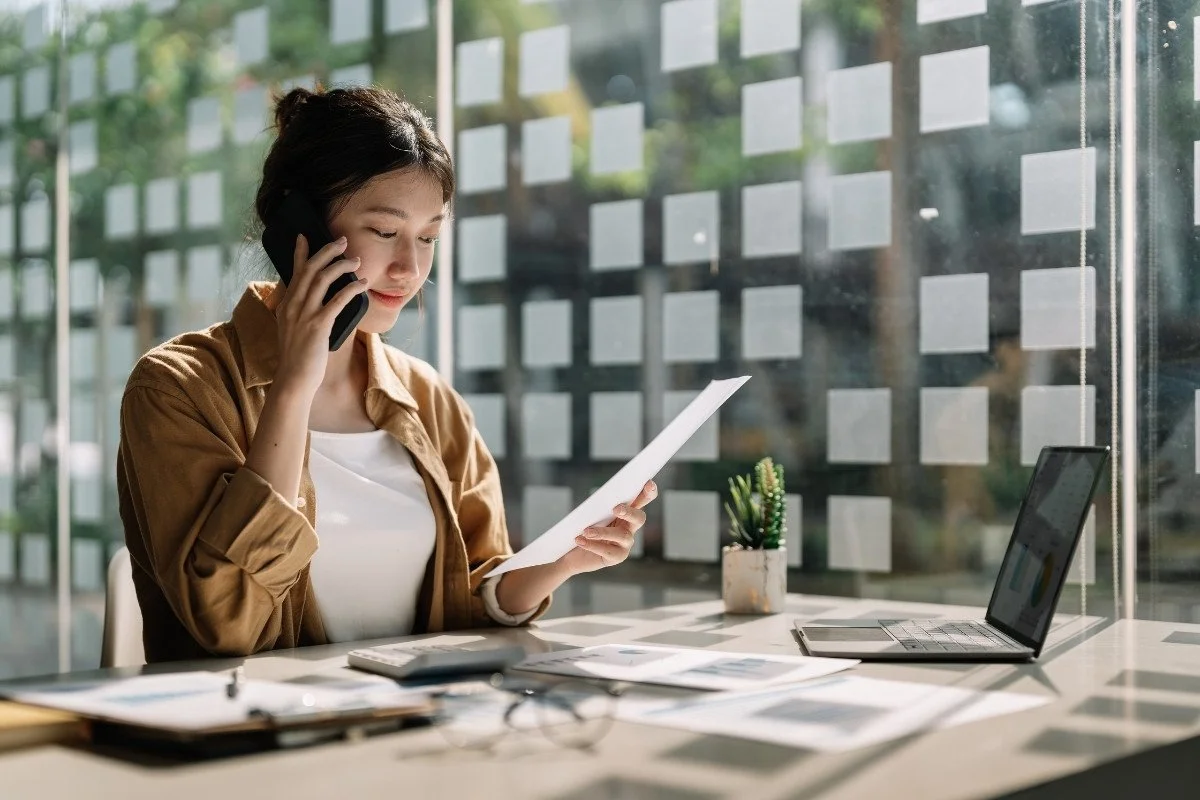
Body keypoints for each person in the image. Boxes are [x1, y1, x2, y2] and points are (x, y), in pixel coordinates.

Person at [116, 85, 656, 663]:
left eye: (428, 237)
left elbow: (466, 601)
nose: (410, 268)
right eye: (383, 231)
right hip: (257, 738)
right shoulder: (177, 388)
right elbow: (226, 625)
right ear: (299, 229)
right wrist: (296, 383)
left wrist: (562, 561)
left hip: (409, 728)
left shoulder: (428, 400)